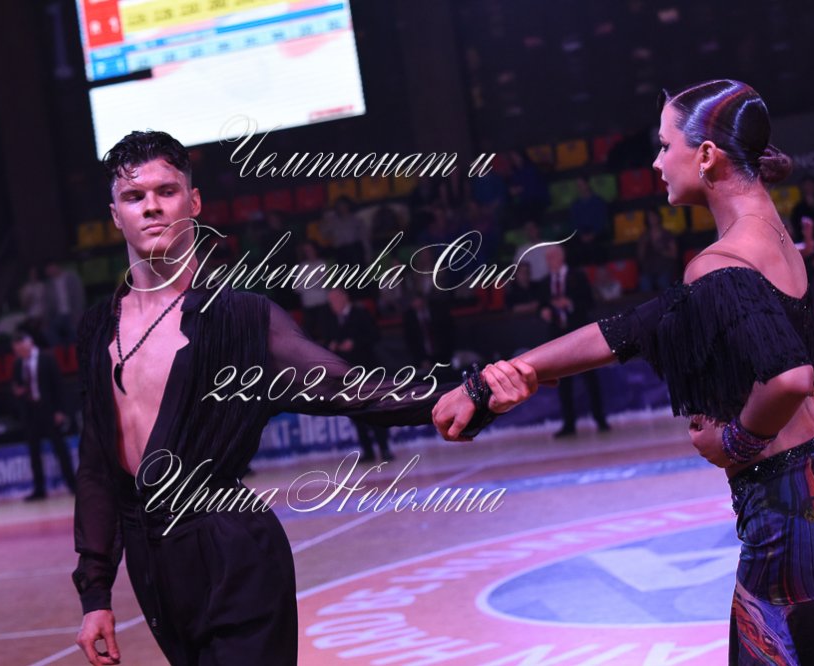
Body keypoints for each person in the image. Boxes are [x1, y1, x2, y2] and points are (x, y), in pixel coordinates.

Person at [71, 130, 536, 666]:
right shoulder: (97, 328)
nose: (151, 206)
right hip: (155, 573)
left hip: (235, 558)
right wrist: (95, 593)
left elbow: (354, 390)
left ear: (193, 203)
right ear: (115, 215)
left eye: (166, 191)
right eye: (134, 196)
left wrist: (473, 392)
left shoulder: (242, 319)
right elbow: (98, 466)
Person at [449, 80, 814, 665]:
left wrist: (734, 441)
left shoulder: (722, 261)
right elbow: (633, 327)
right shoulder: (774, 237)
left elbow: (790, 378)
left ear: (706, 155)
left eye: (665, 145)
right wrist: (508, 373)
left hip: (787, 510)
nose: (655, 161)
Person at [540, 245, 609, 437]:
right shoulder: (545, 282)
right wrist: (544, 312)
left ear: (561, 257)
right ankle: (569, 424)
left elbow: (589, 302)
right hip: (557, 337)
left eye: (552, 257)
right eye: (547, 258)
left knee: (590, 378)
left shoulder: (577, 276)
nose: (549, 262)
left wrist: (570, 304)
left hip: (579, 335)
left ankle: (600, 419)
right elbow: (542, 305)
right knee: (563, 382)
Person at [324, 287, 394, 462]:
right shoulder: (330, 320)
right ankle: (367, 450)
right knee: (356, 414)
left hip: (366, 371)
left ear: (344, 297)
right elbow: (326, 341)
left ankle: (384, 448)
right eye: (330, 301)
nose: (333, 304)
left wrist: (355, 343)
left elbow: (375, 335)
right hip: (346, 376)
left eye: (335, 299)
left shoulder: (360, 314)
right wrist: (332, 346)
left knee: (374, 411)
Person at [12, 331, 77, 500]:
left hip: (48, 410)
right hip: (30, 412)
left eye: (21, 349)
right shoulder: (18, 363)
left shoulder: (46, 359)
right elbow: (17, 385)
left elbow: (59, 386)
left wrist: (60, 411)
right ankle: (39, 489)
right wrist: (18, 392)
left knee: (60, 448)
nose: (19, 353)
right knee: (34, 452)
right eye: (17, 351)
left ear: (29, 344)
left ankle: (73, 484)